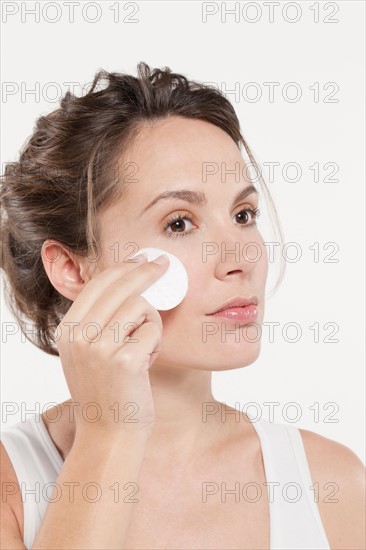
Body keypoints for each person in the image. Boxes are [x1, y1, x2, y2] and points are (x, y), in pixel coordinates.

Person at [0, 62, 364, 550]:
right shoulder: (12, 491)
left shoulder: (330, 484)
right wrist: (110, 436)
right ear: (72, 267)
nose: (240, 259)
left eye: (243, 214)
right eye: (179, 223)